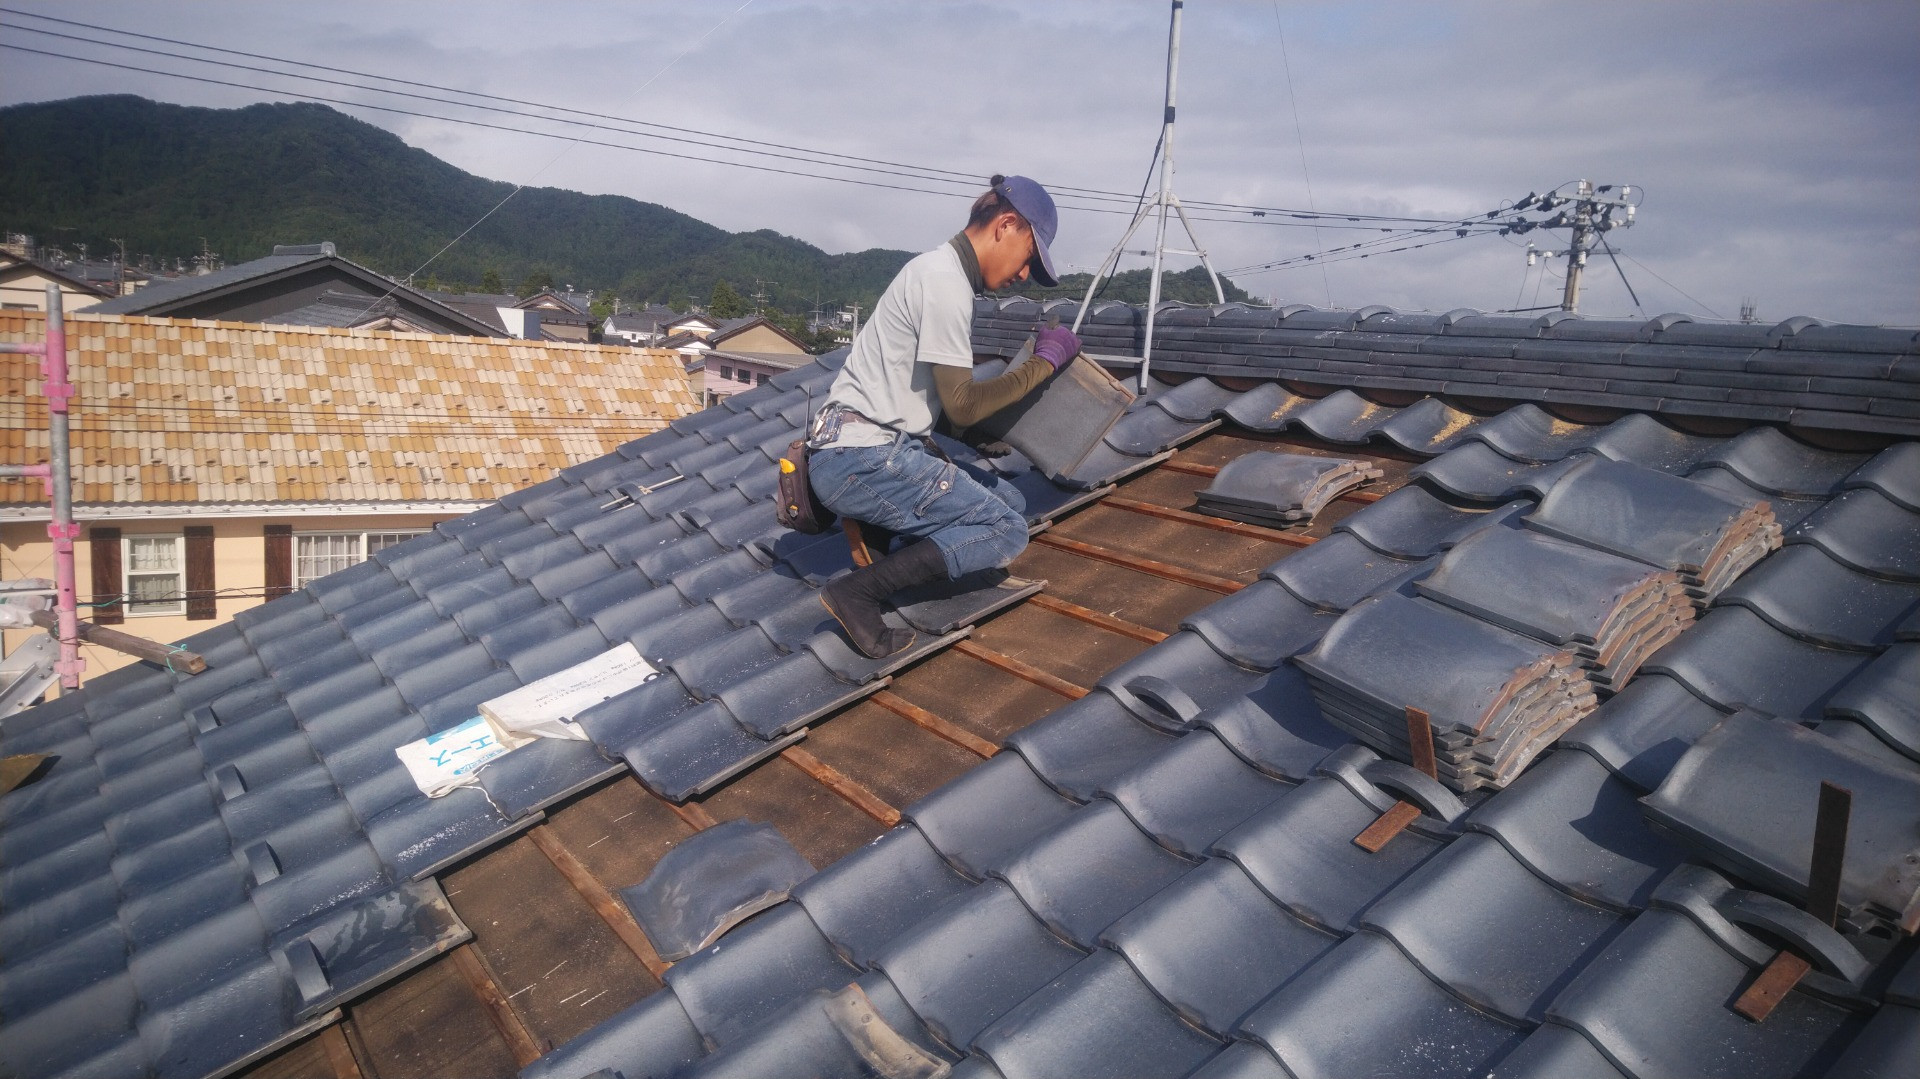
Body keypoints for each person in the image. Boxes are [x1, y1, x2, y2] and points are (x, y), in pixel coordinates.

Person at [807, 175, 1082, 659]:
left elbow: (940, 409)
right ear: (1007, 225)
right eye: (1029, 258)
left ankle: (877, 526)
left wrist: (979, 437)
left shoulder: (937, 272)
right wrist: (1045, 364)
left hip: (864, 448)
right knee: (1006, 530)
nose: (1024, 275)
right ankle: (858, 592)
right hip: (864, 458)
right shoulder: (945, 283)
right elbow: (963, 404)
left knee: (1010, 499)